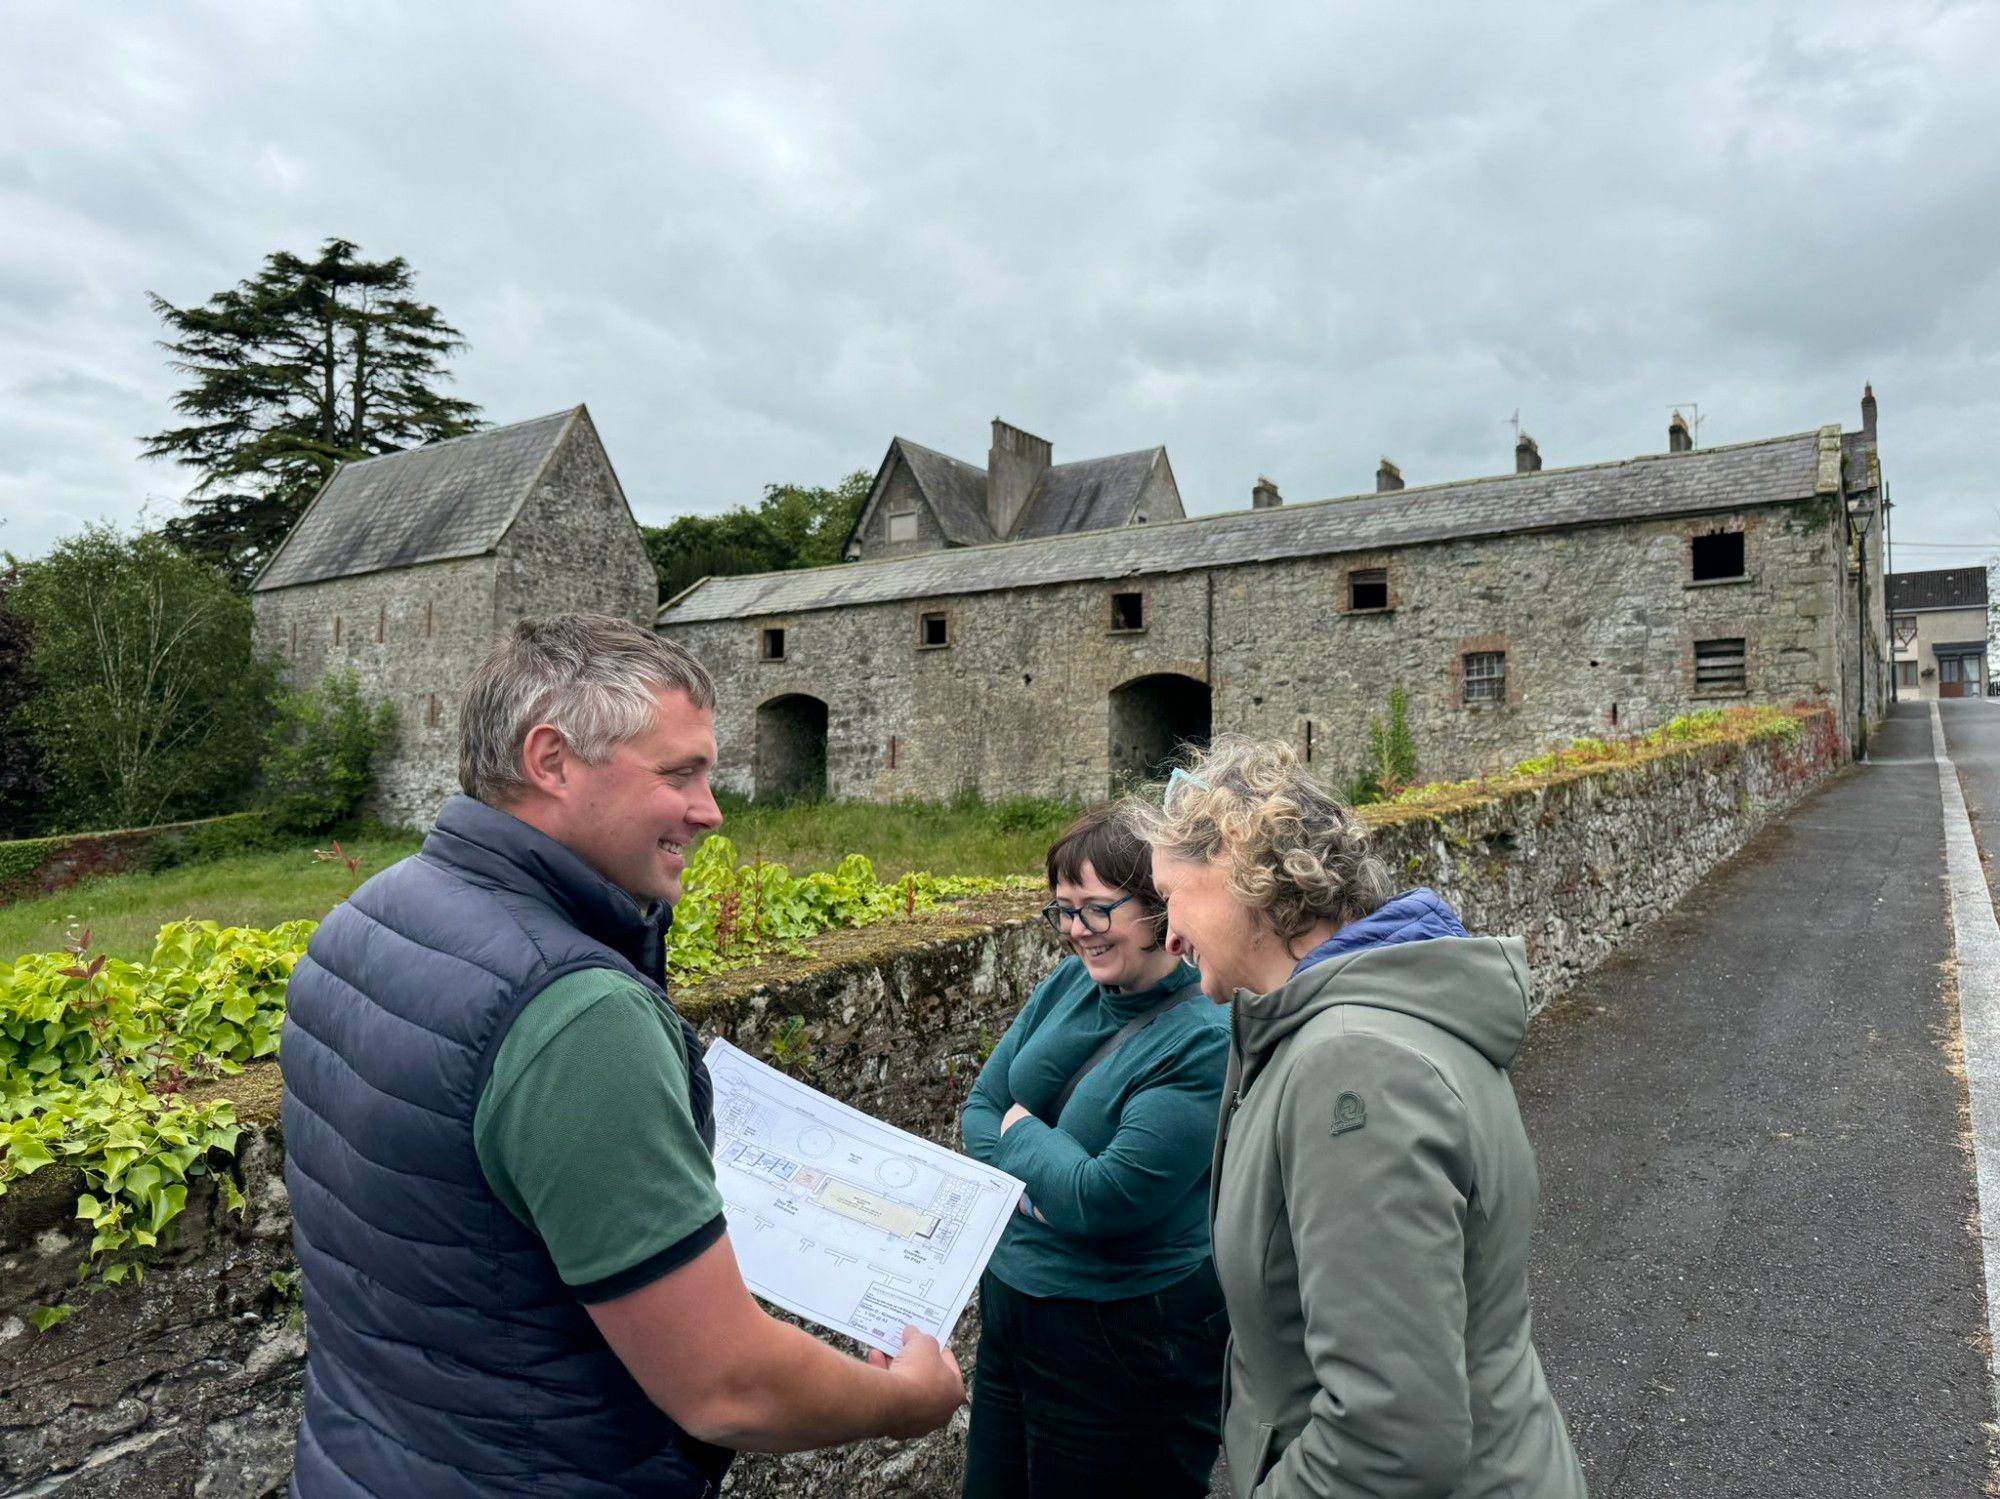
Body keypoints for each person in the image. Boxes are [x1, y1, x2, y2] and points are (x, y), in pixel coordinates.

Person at [280, 615, 963, 1498]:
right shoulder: (577, 1015)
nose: (711, 811)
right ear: (551, 759)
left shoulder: (362, 921)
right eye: (679, 773)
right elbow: (728, 1386)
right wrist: (904, 1398)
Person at [1132, 738, 1587, 1498]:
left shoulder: (1353, 1064)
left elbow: (1389, 1440)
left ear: (1240, 859)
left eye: (1170, 894)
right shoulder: (1368, 1011)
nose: (1167, 933)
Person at [959, 805, 1231, 1498]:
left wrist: (1023, 1140)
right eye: (1063, 910)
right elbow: (979, 1109)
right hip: (1016, 1309)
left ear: (1159, 904)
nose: (1076, 931)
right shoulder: (1071, 985)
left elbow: (1101, 1199)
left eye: (1096, 910)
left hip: (1123, 1338)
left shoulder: (1204, 1034)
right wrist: (1048, 1177)